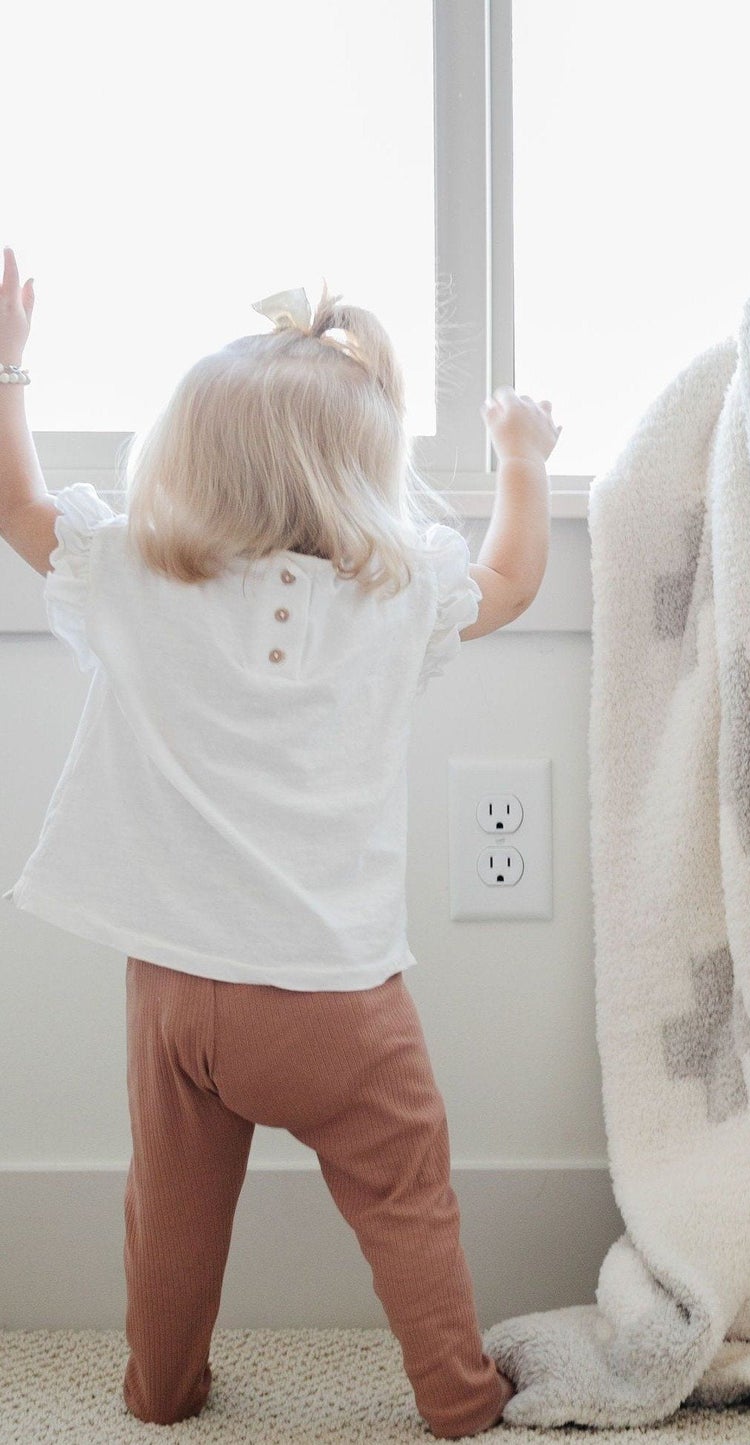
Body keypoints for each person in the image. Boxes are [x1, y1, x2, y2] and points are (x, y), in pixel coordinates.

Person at [0, 253, 558, 1433]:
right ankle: (456, 1396)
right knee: (405, 1195)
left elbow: (14, 502)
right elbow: (510, 576)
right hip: (332, 997)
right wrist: (521, 456)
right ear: (365, 466)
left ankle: (160, 1387)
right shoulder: (399, 595)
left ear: (186, 455)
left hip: (173, 983)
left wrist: (9, 365)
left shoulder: (136, 576)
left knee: (171, 1210)